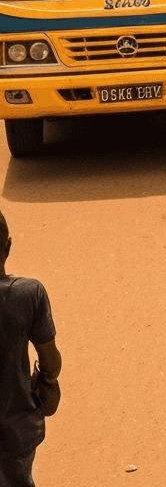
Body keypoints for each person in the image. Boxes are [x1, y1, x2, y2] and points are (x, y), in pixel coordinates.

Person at [0, 209, 62, 487]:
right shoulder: (29, 294)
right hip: (17, 428)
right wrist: (47, 380)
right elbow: (50, 358)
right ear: (8, 246)